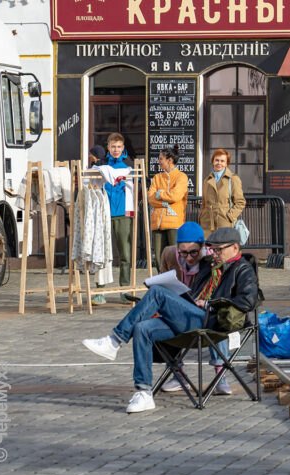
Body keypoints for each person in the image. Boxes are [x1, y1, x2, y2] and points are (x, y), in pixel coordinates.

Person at [82, 227, 259, 413]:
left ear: (235, 248)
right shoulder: (211, 266)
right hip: (193, 317)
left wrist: (209, 304)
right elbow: (189, 258)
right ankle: (144, 393)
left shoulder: (243, 269)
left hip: (211, 322)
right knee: (142, 328)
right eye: (212, 249)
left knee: (157, 292)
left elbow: (248, 300)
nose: (214, 253)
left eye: (219, 249)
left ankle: (115, 340)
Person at [158, 222, 233, 395]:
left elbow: (219, 290)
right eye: (183, 252)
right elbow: (162, 281)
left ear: (203, 247)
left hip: (202, 309)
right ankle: (178, 374)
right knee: (157, 319)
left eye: (193, 252)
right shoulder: (169, 254)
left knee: (217, 319)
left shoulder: (211, 259)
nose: (189, 257)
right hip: (179, 307)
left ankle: (220, 377)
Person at [92, 132, 134, 305]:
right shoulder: (100, 164)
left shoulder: (130, 164)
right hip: (104, 214)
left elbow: (140, 184)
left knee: (125, 254)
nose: (116, 150)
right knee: (101, 253)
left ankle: (124, 290)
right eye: (113, 146)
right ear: (108, 147)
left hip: (124, 214)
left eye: (119, 147)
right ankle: (100, 290)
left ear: (123, 147)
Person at [148, 146, 189, 271]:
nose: (159, 161)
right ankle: (162, 284)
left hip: (174, 222)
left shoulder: (181, 177)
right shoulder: (156, 178)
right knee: (159, 259)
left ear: (169, 160)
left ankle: (177, 284)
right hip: (158, 223)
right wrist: (166, 201)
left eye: (161, 159)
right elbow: (150, 198)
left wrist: (160, 194)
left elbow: (176, 196)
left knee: (175, 256)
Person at [198, 149, 245, 235]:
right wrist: (202, 217)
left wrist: (229, 217)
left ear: (226, 164)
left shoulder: (233, 179)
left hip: (225, 223)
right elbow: (204, 202)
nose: (219, 163)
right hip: (207, 223)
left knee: (223, 247)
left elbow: (240, 202)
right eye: (217, 160)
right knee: (209, 247)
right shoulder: (207, 180)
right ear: (213, 161)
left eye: (222, 161)